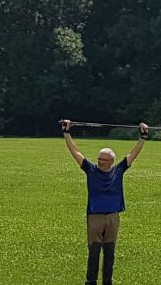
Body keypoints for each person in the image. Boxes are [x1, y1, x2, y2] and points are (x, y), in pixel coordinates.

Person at [62, 120, 148, 285]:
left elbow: (133, 154)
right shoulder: (91, 170)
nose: (100, 161)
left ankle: (107, 281)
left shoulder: (119, 170)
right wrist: (67, 133)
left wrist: (143, 136)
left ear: (111, 161)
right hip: (95, 217)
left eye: (103, 159)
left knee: (110, 252)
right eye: (99, 159)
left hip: (113, 217)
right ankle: (91, 281)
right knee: (93, 252)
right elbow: (75, 152)